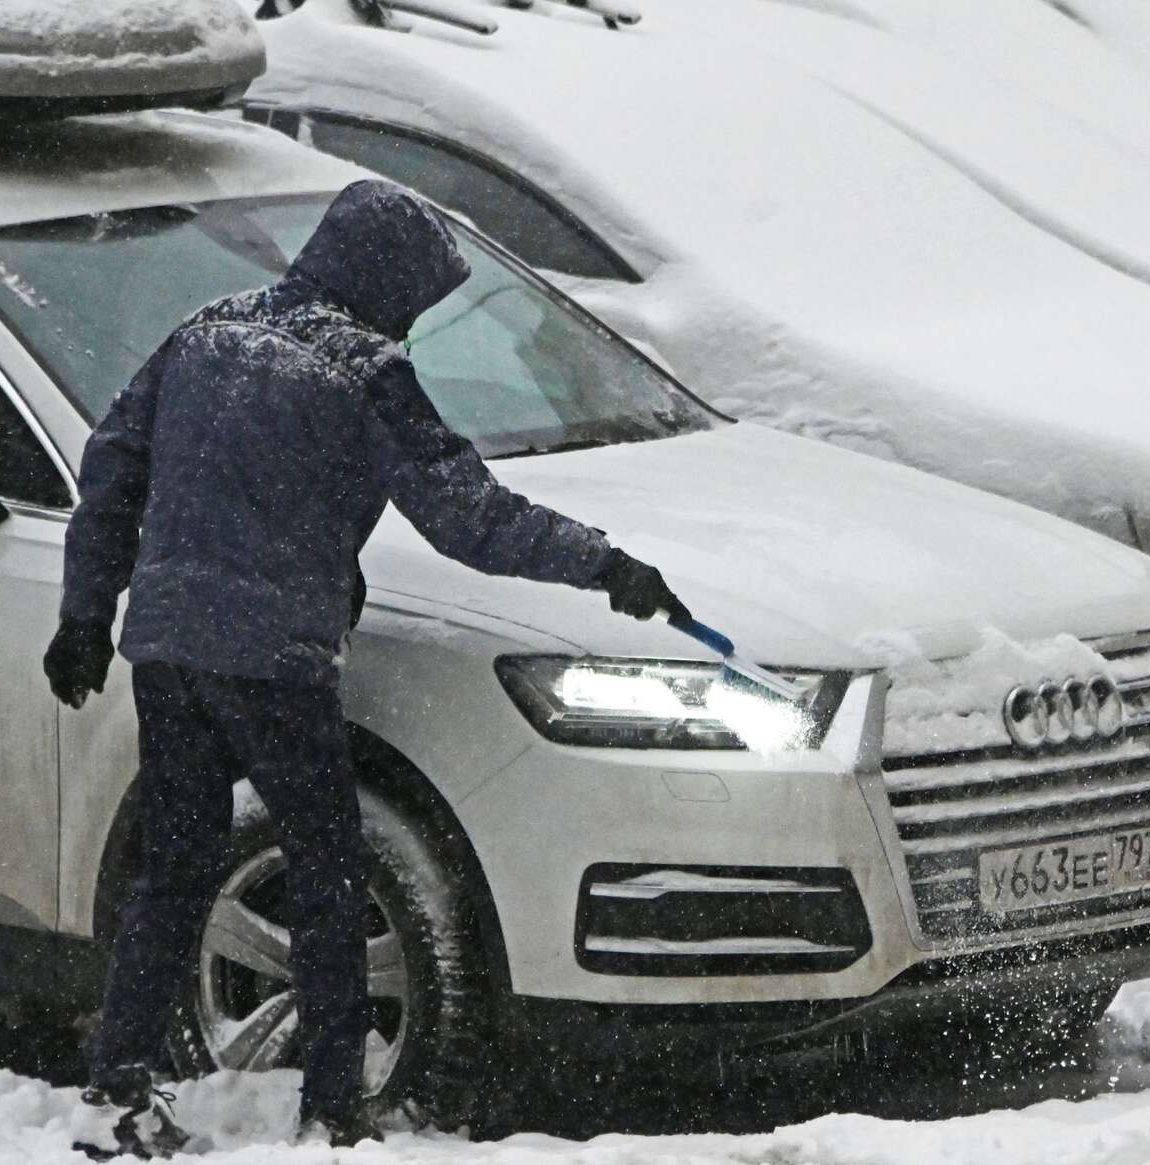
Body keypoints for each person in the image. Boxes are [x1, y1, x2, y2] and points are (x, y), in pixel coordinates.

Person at [45, 179, 685, 1154]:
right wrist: (605, 566)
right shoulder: (363, 369)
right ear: (382, 279)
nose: (415, 316)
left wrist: (85, 614)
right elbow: (470, 517)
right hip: (271, 657)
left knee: (174, 870)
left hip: (168, 648)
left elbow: (111, 468)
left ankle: (119, 1090)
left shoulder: (205, 334)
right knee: (327, 868)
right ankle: (333, 1113)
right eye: (416, 294)